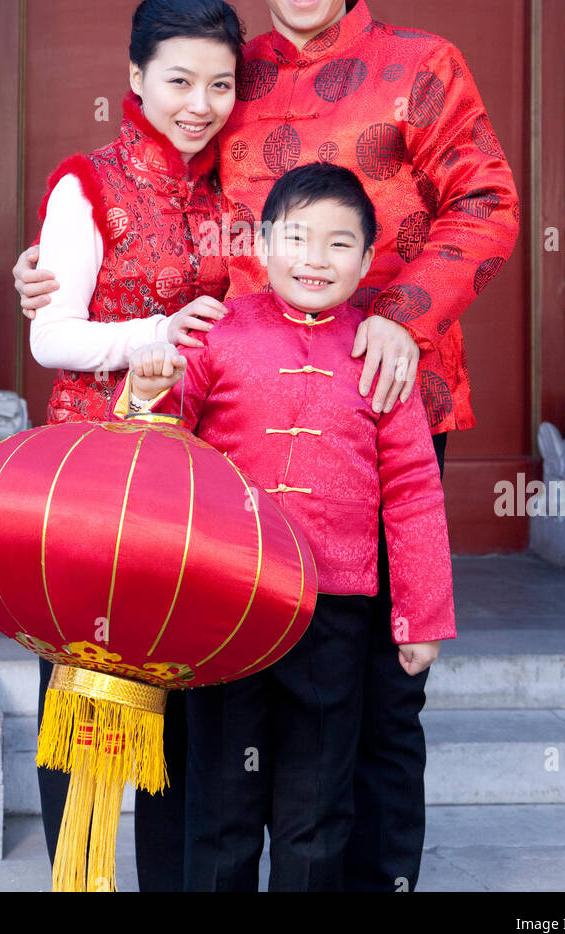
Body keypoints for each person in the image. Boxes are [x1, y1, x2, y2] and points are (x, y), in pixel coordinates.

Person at [15, 0, 520, 891]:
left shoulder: (420, 64)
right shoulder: (226, 76)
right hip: (230, 420)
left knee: (369, 688)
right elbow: (160, 194)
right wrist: (56, 273)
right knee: (211, 679)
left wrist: (401, 317)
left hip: (380, 404)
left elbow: (488, 204)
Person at [110, 163, 455, 892]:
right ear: (261, 245)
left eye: (339, 245)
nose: (315, 259)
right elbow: (162, 449)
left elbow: (415, 493)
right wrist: (144, 392)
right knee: (222, 806)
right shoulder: (218, 333)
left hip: (335, 614)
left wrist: (419, 617)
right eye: (296, 238)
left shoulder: (379, 353)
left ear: (366, 262)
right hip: (228, 610)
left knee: (316, 807)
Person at [29, 0, 241, 888]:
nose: (200, 104)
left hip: (206, 473)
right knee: (89, 691)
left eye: (222, 85)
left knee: (187, 701)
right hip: (99, 475)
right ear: (135, 77)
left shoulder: (241, 188)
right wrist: (155, 336)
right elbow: (51, 334)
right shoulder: (89, 181)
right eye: (180, 80)